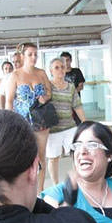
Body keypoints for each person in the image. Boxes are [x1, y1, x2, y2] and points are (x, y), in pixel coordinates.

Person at [5, 42, 52, 192]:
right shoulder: (15, 75)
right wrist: (10, 122)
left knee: (41, 157)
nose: (34, 57)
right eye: (30, 54)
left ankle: (41, 191)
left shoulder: (41, 73)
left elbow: (49, 93)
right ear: (22, 56)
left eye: (35, 54)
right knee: (25, 158)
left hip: (41, 120)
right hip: (22, 122)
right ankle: (26, 192)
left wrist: (45, 97)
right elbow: (9, 100)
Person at [46, 57, 87, 185]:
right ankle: (56, 184)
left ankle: (78, 181)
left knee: (77, 154)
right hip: (53, 130)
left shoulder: (70, 87)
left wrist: (85, 122)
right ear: (51, 71)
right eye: (57, 67)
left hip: (70, 126)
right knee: (53, 158)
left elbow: (77, 106)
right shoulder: (48, 86)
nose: (61, 70)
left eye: (62, 67)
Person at [61, 51, 86, 125]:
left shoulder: (77, 71)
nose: (66, 62)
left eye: (67, 60)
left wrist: (71, 93)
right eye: (63, 60)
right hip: (64, 102)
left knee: (78, 121)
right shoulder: (60, 73)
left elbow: (81, 86)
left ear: (71, 60)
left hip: (76, 101)